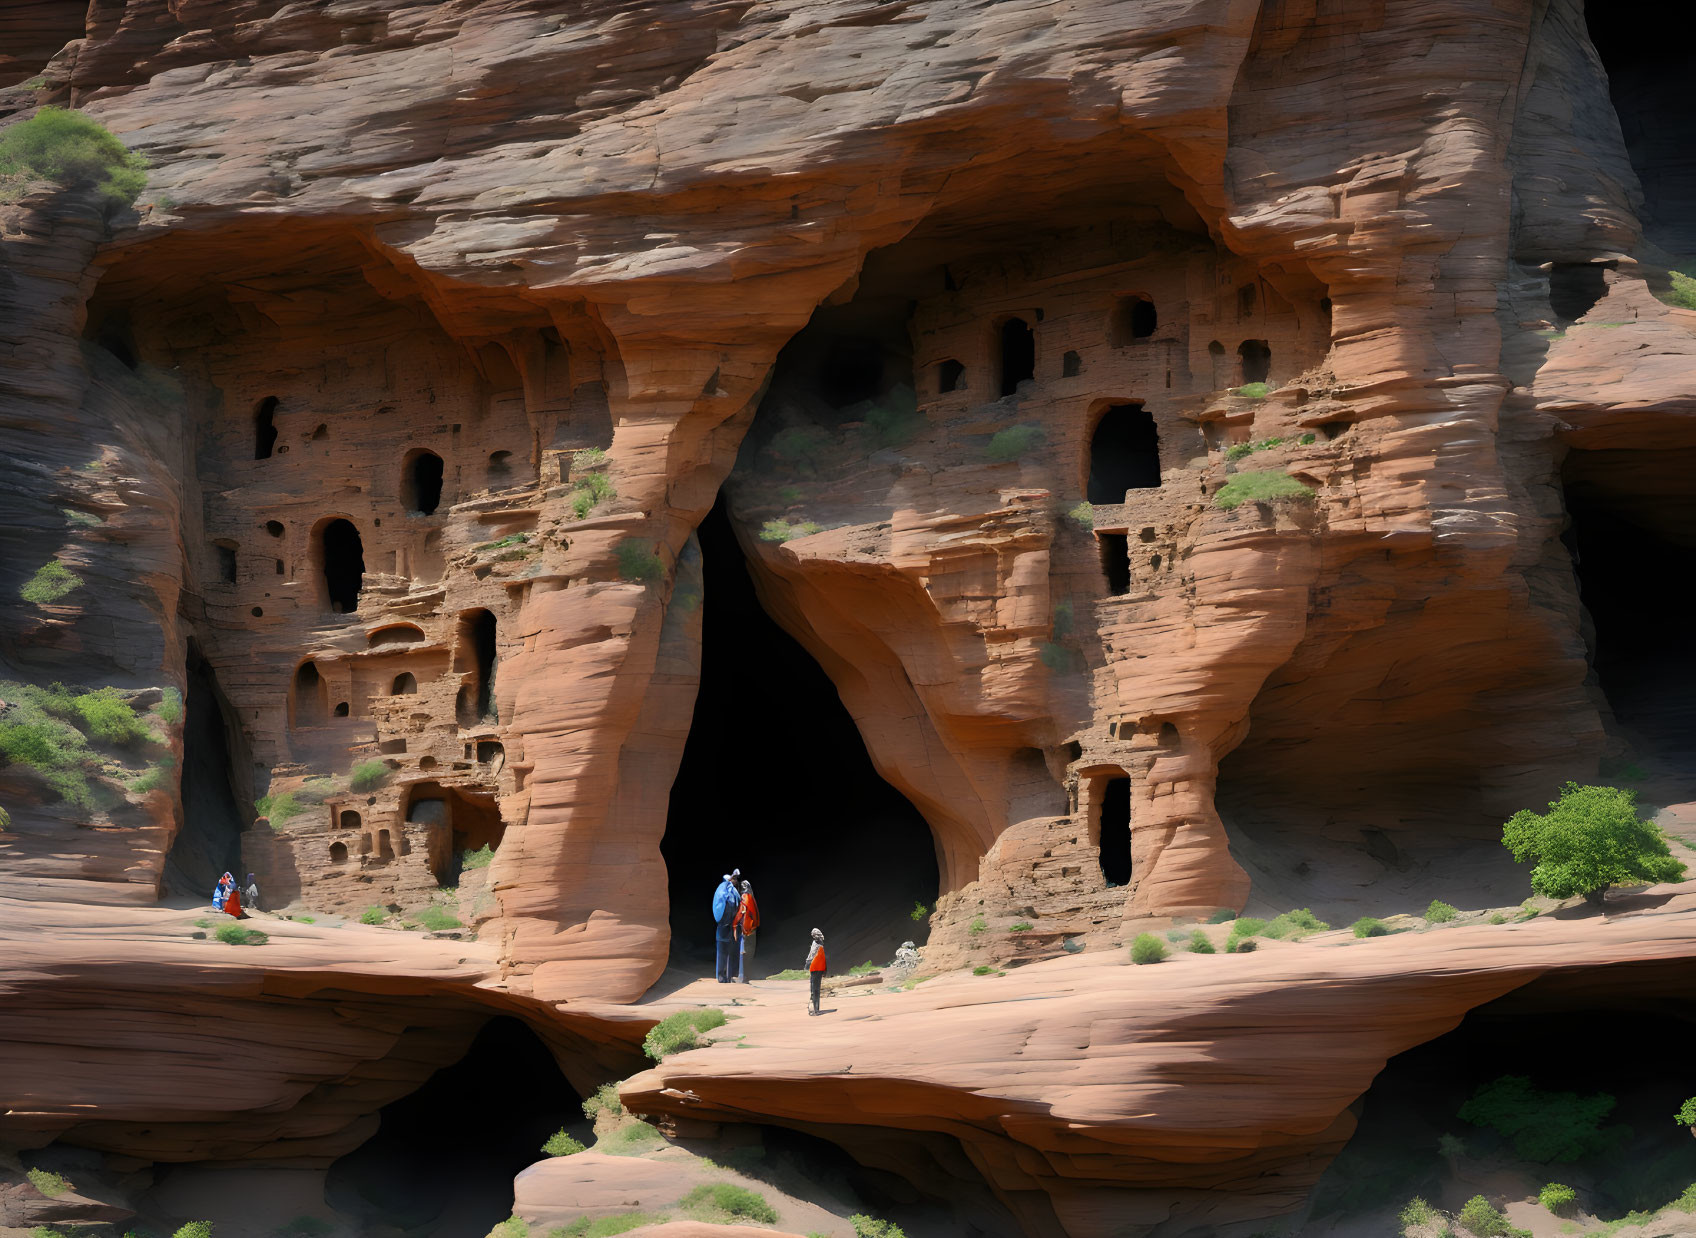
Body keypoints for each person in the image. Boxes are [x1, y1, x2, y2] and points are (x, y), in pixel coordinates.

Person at [712, 872, 740, 982]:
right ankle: (729, 976)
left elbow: (717, 908)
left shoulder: (721, 890)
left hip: (721, 927)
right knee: (730, 952)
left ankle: (721, 976)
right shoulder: (732, 892)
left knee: (721, 952)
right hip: (730, 926)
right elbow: (735, 906)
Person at [733, 880, 759, 983]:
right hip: (752, 928)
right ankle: (746, 975)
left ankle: (743, 976)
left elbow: (741, 913)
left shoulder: (745, 898)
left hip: (746, 928)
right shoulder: (752, 898)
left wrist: (735, 923)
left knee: (743, 952)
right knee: (749, 952)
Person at [805, 927, 827, 1016]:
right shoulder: (819, 943)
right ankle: (815, 1009)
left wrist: (807, 963)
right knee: (815, 989)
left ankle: (815, 1010)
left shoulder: (818, 944)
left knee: (814, 989)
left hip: (815, 968)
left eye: (814, 934)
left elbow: (812, 955)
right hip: (818, 968)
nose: (813, 936)